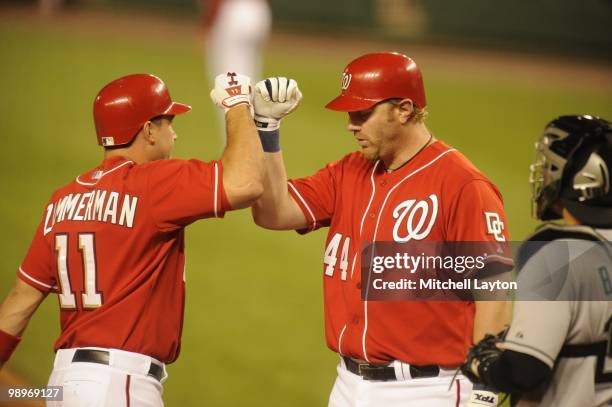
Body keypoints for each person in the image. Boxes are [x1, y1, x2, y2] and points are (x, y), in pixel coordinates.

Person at [250, 52, 513, 406]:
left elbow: (493, 291)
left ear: (404, 110)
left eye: (363, 114)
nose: (351, 125)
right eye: (349, 114)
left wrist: (485, 390)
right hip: (348, 385)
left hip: (429, 390)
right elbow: (272, 212)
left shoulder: (462, 185)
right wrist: (267, 131)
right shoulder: (347, 173)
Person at [0, 72, 263, 406]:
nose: (175, 133)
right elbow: (247, 183)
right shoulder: (153, 184)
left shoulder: (61, 202)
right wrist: (237, 103)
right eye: (169, 122)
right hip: (117, 385)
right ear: (148, 130)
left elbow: (20, 301)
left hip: (63, 386)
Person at [461, 115, 612, 407]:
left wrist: (486, 364)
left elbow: (523, 370)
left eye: (549, 165)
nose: (543, 173)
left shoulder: (558, 260)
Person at [202, 0, 271, 139]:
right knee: (250, 85)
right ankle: (258, 147)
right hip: (259, 10)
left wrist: (209, 19)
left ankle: (239, 153)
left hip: (233, 12)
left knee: (229, 89)